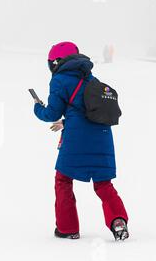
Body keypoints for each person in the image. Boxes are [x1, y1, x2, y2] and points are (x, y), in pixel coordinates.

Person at [33, 41, 129, 240]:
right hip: (102, 136)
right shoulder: (90, 77)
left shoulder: (60, 80)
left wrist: (37, 107)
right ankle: (118, 220)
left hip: (76, 139)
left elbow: (51, 113)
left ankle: (67, 228)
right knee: (103, 184)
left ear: (56, 62)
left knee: (63, 180)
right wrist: (67, 122)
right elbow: (86, 110)